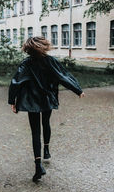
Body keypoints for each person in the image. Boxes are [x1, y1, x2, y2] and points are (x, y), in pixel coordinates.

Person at [8, 36, 85, 182]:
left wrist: (13, 100)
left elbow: (15, 82)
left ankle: (38, 165)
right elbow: (63, 76)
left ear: (28, 49)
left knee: (35, 132)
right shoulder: (50, 61)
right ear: (44, 46)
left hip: (31, 101)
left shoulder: (26, 63)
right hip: (47, 98)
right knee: (46, 123)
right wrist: (78, 90)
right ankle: (47, 150)